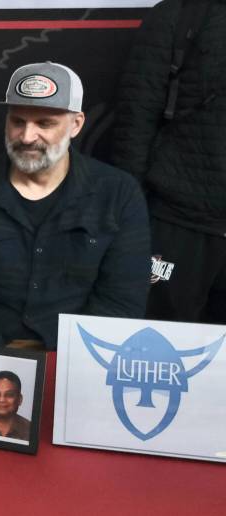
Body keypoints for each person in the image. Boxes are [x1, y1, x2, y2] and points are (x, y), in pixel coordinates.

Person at [0, 62, 150, 351]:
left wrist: (65, 362)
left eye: (44, 124)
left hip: (76, 360)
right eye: (17, 121)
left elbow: (121, 301)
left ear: (76, 124)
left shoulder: (119, 193)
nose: (27, 136)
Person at [112, 0, 226, 324]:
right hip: (178, 220)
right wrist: (131, 213)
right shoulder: (180, 14)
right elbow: (136, 118)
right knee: (158, 344)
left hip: (181, 214)